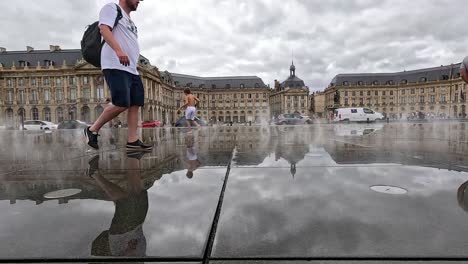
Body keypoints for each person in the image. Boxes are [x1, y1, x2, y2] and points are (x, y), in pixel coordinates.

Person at [84, 0, 152, 151]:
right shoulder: (112, 8)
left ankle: (132, 141)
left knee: (136, 102)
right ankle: (92, 129)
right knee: (121, 102)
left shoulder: (131, 22)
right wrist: (119, 50)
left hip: (132, 69)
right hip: (115, 64)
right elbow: (104, 29)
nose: (139, 1)